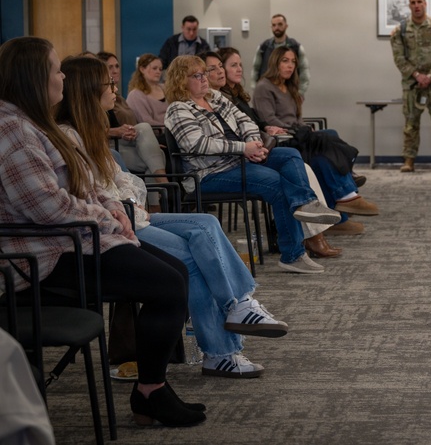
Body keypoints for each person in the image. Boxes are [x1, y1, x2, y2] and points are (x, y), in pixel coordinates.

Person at [0, 37, 205, 427]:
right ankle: (151, 393)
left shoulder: (35, 122)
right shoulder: (13, 130)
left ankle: (151, 389)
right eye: (57, 70)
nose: (62, 77)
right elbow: (47, 208)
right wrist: (107, 217)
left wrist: (110, 206)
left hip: (72, 239)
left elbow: (84, 182)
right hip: (42, 256)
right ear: (35, 78)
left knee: (175, 274)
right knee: (168, 285)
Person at [56, 55, 289, 378]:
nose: (114, 87)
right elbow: (91, 194)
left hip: (131, 213)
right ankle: (221, 352)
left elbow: (124, 181)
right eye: (108, 83)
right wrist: (124, 204)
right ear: (88, 90)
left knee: (206, 223)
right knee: (193, 259)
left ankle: (240, 303)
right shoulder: (69, 136)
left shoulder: (91, 133)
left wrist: (128, 201)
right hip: (113, 226)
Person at [164, 55, 353, 274]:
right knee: (278, 183)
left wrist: (254, 143)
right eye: (197, 75)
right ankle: (293, 255)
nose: (204, 79)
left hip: (239, 160)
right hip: (209, 174)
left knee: (290, 154)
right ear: (180, 80)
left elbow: (246, 120)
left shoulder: (214, 96)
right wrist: (243, 149)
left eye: (204, 73)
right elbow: (196, 144)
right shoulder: (178, 109)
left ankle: (306, 203)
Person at [212, 47, 346, 259]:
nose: (239, 69)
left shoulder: (235, 97)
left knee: (305, 161)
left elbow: (251, 123)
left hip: (261, 146)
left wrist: (263, 129)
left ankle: (322, 221)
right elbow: (219, 139)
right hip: (238, 158)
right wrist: (255, 138)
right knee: (302, 167)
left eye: (239, 65)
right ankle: (312, 235)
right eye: (232, 65)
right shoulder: (219, 99)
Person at [253, 47, 378, 217]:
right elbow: (268, 120)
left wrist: (303, 127)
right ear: (275, 62)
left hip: (297, 135)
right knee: (329, 137)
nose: (290, 66)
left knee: (326, 143)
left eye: (293, 62)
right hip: (283, 140)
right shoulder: (264, 87)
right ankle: (348, 185)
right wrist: (297, 130)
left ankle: (345, 199)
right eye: (285, 61)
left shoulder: (289, 87)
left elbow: (296, 117)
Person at [389, 0, 431, 172]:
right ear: (409, 6)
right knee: (410, 125)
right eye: (413, 2)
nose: (416, 5)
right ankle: (409, 160)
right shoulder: (400, 31)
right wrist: (417, 75)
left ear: (425, 4)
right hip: (412, 85)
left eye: (419, 2)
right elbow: (399, 58)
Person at [96, 51, 167, 183]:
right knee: (154, 157)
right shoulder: (133, 95)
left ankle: (156, 202)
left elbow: (131, 124)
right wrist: (116, 131)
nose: (115, 70)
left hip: (128, 139)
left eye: (117, 66)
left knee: (152, 149)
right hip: (111, 144)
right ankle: (164, 188)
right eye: (110, 67)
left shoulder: (119, 98)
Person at [249, 14, 311, 95]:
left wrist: (300, 93)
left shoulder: (296, 47)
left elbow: (304, 71)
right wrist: (256, 89)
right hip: (267, 92)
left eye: (280, 24)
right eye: (274, 25)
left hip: (290, 92)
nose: (276, 27)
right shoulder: (263, 47)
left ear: (286, 26)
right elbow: (255, 69)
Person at [126, 53, 167, 125]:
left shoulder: (166, 88)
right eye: (154, 68)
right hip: (155, 134)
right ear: (142, 69)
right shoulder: (135, 95)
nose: (158, 72)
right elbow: (147, 123)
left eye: (160, 69)